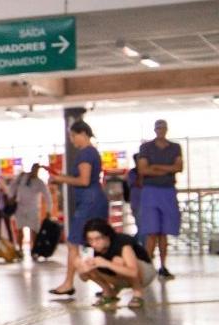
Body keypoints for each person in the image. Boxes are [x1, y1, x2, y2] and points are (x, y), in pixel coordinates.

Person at [48, 120, 109, 296]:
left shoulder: (86, 154)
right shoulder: (93, 152)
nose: (72, 140)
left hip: (89, 201)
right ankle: (107, 285)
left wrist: (61, 179)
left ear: (83, 134)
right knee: (99, 243)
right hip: (94, 199)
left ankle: (68, 283)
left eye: (73, 136)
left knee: (73, 242)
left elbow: (84, 180)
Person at [77, 218, 156, 308]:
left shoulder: (122, 242)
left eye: (97, 239)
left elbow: (133, 272)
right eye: (90, 240)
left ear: (107, 236)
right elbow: (84, 278)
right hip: (118, 277)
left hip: (144, 273)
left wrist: (106, 263)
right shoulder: (90, 248)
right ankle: (108, 292)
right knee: (79, 262)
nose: (94, 243)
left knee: (118, 260)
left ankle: (137, 293)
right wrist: (83, 269)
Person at [137, 119, 182, 279]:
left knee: (164, 232)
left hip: (168, 191)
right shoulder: (146, 147)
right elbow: (143, 169)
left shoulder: (175, 147)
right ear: (155, 130)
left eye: (163, 128)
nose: (161, 131)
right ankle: (148, 266)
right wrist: (167, 170)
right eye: (158, 128)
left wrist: (156, 167)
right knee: (151, 231)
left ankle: (163, 265)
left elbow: (179, 167)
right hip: (151, 192)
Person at [9, 164, 53, 259]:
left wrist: (49, 210)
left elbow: (47, 196)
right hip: (20, 208)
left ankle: (34, 250)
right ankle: (20, 250)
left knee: (34, 230)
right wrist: (11, 196)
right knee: (20, 229)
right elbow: (13, 185)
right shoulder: (22, 177)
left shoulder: (40, 182)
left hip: (33, 209)